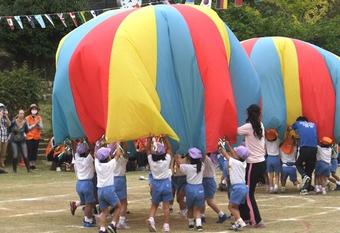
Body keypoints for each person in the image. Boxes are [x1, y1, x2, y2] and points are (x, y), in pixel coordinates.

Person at [237, 104, 266, 227]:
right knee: (246, 191)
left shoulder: (249, 127)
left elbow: (235, 131)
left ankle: (256, 220)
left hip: (253, 164)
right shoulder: (260, 125)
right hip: (261, 162)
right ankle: (246, 216)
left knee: (248, 193)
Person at [219, 142, 249, 231]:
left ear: (238, 155)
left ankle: (240, 222)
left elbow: (225, 154)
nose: (233, 153)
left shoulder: (234, 162)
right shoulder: (243, 162)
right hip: (242, 187)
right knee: (235, 207)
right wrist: (228, 145)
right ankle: (237, 223)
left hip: (237, 188)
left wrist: (221, 147)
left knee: (231, 207)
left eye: (235, 152)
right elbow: (234, 154)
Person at [146, 137, 173, 233]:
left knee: (154, 204)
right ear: (164, 153)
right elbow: (169, 148)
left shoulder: (151, 162)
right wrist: (164, 137)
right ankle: (166, 226)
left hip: (156, 184)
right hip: (166, 184)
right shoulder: (167, 161)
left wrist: (149, 139)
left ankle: (151, 218)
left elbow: (147, 150)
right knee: (166, 207)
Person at [95, 146, 122, 233]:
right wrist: (118, 144)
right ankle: (113, 224)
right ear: (108, 157)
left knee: (104, 211)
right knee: (118, 206)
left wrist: (98, 144)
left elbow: (95, 155)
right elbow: (118, 154)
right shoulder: (110, 164)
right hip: (109, 189)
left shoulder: (97, 164)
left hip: (100, 190)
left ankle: (102, 229)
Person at [178, 148, 205, 232]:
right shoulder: (202, 166)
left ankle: (191, 225)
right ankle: (199, 225)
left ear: (189, 158)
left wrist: (185, 157)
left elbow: (179, 164)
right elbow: (202, 158)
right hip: (200, 189)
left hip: (190, 189)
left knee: (190, 208)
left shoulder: (187, 167)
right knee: (197, 209)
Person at [289, 116, 317, 195]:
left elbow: (290, 128)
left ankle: (304, 176)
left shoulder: (297, 123)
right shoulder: (313, 124)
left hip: (304, 147)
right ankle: (306, 188)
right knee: (309, 168)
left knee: (298, 163)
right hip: (314, 148)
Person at [73, 142, 96, 227]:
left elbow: (74, 148)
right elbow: (92, 150)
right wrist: (90, 139)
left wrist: (75, 139)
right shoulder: (89, 158)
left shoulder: (76, 157)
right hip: (87, 183)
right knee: (89, 204)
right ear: (86, 152)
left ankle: (89, 218)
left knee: (86, 202)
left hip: (79, 184)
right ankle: (88, 220)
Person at [201, 153, 228, 223]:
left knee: (209, 201)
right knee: (202, 200)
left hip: (208, 181)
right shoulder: (210, 158)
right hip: (207, 181)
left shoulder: (207, 159)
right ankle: (202, 216)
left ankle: (222, 215)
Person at [110, 142, 130, 229]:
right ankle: (121, 221)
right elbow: (125, 149)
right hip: (120, 180)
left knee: (114, 202)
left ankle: (108, 218)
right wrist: (120, 141)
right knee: (123, 202)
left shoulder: (111, 160)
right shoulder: (124, 159)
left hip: (112, 180)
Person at [26, 104, 43, 169]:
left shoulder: (39, 117)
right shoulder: (27, 118)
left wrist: (38, 125)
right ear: (30, 110)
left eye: (35, 109)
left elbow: (41, 127)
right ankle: (29, 164)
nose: (34, 110)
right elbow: (27, 128)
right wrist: (34, 125)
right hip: (29, 137)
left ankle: (33, 164)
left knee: (35, 151)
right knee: (30, 150)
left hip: (37, 137)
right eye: (33, 109)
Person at [265, 128, 281, 193]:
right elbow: (278, 136)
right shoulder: (278, 141)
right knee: (277, 174)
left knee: (270, 175)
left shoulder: (266, 141)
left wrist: (267, 131)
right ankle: (276, 187)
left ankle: (271, 187)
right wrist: (275, 131)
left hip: (269, 158)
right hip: (276, 158)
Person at [0, 103, 10, 168]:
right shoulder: (1, 117)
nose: (2, 110)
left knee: (4, 151)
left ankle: (2, 162)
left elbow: (9, 124)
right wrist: (0, 116)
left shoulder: (4, 117)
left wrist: (6, 116)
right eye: (1, 108)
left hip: (5, 136)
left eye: (3, 108)